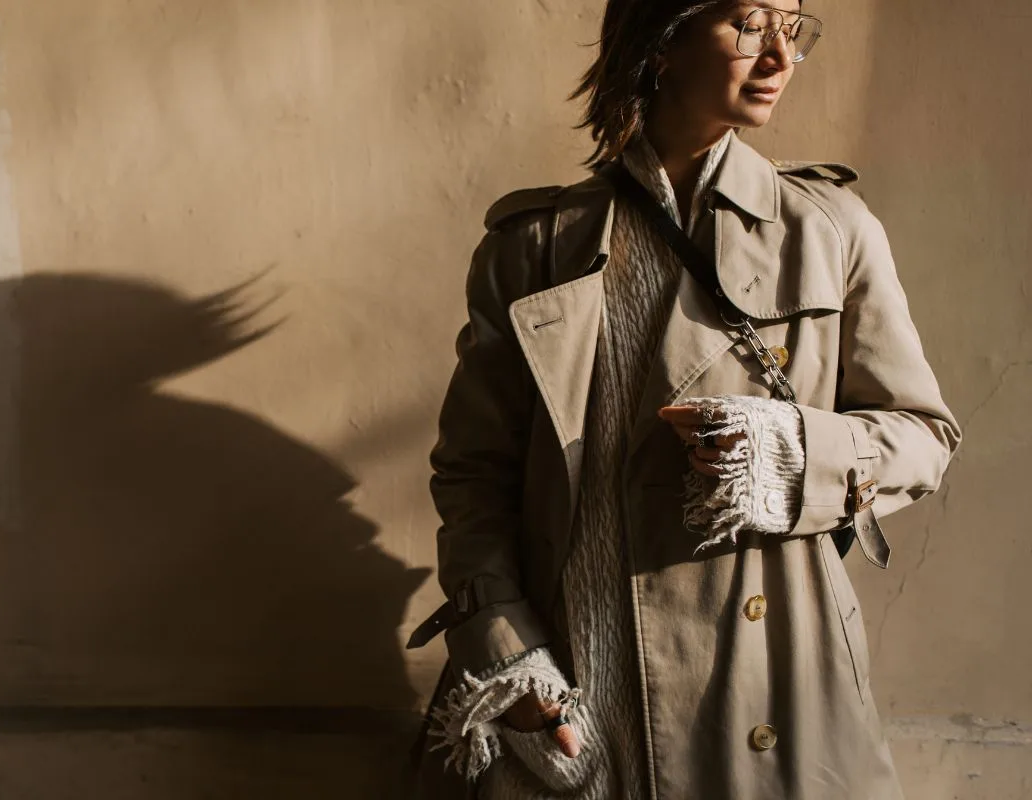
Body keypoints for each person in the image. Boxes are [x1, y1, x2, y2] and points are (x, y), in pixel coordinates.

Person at [405, 1, 962, 798]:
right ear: (662, 39)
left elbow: (925, 435)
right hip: (571, 685)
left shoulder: (828, 230)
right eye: (751, 23)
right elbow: (473, 475)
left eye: (794, 27)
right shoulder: (533, 247)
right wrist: (507, 652)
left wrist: (794, 453)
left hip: (769, 686)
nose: (780, 56)